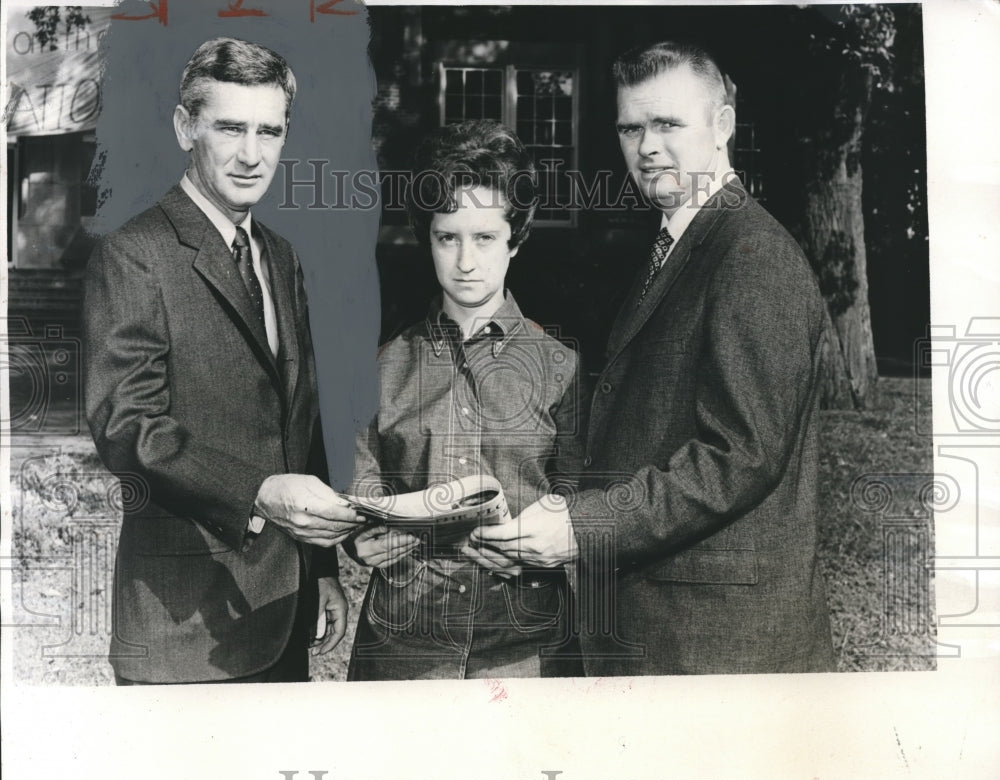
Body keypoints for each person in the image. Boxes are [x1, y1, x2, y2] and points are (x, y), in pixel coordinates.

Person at [469, 41, 836, 675]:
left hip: (718, 646)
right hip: (668, 626)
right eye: (631, 127)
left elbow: (738, 456)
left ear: (722, 127)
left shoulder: (752, 257)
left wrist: (581, 527)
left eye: (667, 124)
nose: (646, 147)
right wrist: (552, 524)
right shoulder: (679, 245)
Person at [83, 37, 363, 684]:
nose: (251, 154)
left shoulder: (281, 256)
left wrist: (319, 573)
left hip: (280, 611)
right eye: (230, 128)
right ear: (186, 127)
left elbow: (296, 425)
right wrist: (258, 493)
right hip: (184, 628)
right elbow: (129, 427)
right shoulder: (136, 254)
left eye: (270, 131)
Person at [345, 120, 584, 680]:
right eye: (448, 238)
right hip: (404, 647)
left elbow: (585, 497)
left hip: (525, 649)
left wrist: (558, 536)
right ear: (425, 237)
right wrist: (362, 539)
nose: (466, 261)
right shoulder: (381, 367)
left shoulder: (561, 369)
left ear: (517, 239)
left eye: (485, 238)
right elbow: (359, 487)